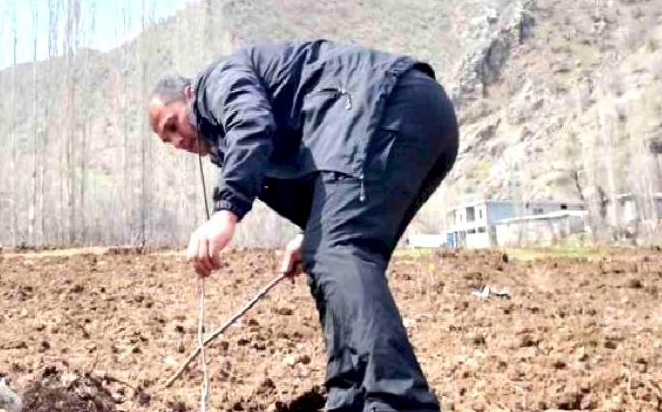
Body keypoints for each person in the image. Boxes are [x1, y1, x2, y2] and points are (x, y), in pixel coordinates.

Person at [149, 39, 458, 412]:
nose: (178, 141)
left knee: (338, 253)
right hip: (415, 122)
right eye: (168, 140)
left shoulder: (217, 81)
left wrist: (225, 212)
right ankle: (350, 398)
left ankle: (400, 401)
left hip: (389, 107)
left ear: (189, 95)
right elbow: (317, 182)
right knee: (326, 254)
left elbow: (252, 122)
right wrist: (311, 231)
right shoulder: (224, 146)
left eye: (173, 125)